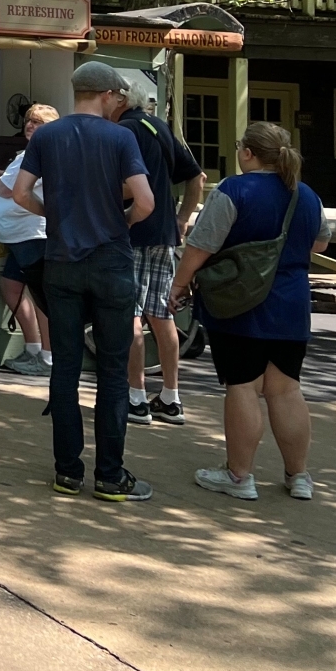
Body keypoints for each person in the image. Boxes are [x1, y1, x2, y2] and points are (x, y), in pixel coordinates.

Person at [10, 61, 157, 501]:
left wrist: (53, 215)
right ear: (108, 94)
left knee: (66, 367)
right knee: (112, 370)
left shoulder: (47, 136)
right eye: (119, 97)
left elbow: (20, 193)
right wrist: (122, 221)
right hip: (110, 260)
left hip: (61, 261)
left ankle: (67, 472)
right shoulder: (121, 137)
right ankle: (110, 475)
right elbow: (146, 201)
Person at [172, 121, 330, 502]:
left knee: (243, 384)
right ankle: (299, 476)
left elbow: (201, 245)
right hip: (292, 304)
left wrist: (179, 284)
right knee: (286, 389)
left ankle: (239, 475)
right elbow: (321, 243)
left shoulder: (233, 190)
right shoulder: (306, 195)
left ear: (248, 153)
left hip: (239, 301)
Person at [106, 71, 205, 427]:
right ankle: (171, 397)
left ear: (120, 99)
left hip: (131, 231)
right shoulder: (158, 126)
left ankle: (136, 398)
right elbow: (197, 177)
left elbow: (131, 186)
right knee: (161, 316)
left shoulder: (124, 131)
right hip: (164, 233)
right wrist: (182, 218)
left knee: (130, 316)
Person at [0, 102, 61, 376]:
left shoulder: (40, 153)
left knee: (42, 296)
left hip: (32, 234)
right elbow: (18, 182)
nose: (30, 125)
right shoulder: (33, 153)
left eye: (38, 122)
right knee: (11, 286)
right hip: (19, 236)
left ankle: (47, 357)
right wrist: (2, 175)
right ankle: (33, 348)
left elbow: (6, 190)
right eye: (29, 121)